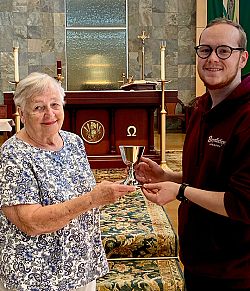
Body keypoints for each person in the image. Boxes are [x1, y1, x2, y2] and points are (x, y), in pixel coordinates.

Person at [135, 18, 250, 290]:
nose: (212, 59)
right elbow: (211, 177)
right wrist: (169, 176)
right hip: (199, 259)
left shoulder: (246, 117)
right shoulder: (200, 109)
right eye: (205, 50)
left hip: (235, 269)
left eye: (224, 51)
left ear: (242, 58)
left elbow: (243, 203)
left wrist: (180, 192)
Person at [0, 72, 136, 291]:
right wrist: (92, 199)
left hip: (80, 267)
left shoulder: (73, 142)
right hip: (36, 274)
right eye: (38, 107)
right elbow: (31, 222)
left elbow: (76, 191)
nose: (49, 114)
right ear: (22, 113)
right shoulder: (13, 154)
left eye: (55, 104)